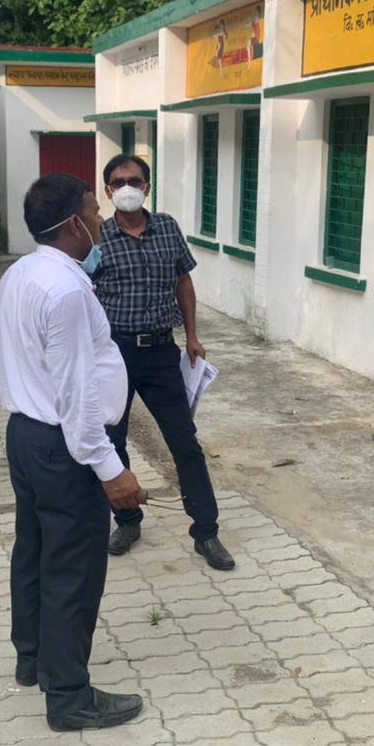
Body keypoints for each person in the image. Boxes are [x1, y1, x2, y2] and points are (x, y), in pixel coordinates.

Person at [0, 172, 147, 732]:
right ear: (76, 224)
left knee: (34, 551)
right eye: (94, 212)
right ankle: (70, 697)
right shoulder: (67, 291)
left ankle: (33, 659)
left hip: (26, 435)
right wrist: (111, 469)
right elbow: (77, 394)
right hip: (64, 446)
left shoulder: (18, 273)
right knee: (72, 570)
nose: (102, 220)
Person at [93, 154, 233, 571]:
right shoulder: (97, 237)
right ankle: (127, 522)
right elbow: (83, 293)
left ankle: (206, 532)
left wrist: (192, 336)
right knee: (113, 441)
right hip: (114, 353)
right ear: (108, 190)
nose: (127, 188)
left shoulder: (168, 228)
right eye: (119, 182)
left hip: (160, 353)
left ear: (147, 187)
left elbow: (183, 281)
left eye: (135, 181)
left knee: (185, 443)